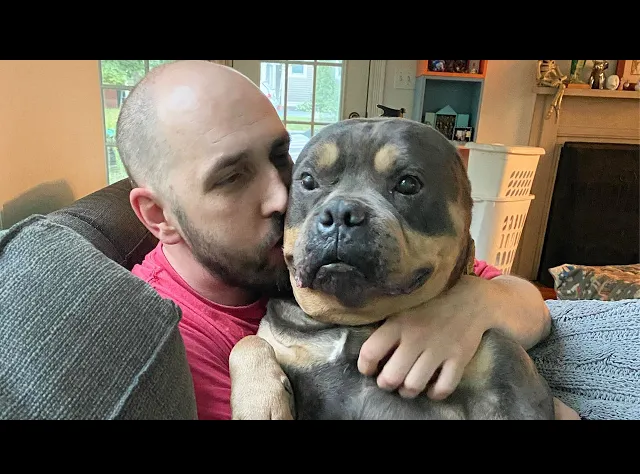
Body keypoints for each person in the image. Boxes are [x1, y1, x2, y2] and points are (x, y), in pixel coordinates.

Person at [116, 60, 578, 420]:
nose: (282, 196)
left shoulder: (299, 254)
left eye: (283, 158)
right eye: (232, 177)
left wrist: (469, 307)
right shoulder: (168, 342)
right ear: (160, 216)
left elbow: (532, 308)